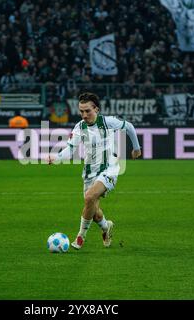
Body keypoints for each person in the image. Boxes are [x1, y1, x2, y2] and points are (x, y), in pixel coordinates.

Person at [47, 92, 142, 250]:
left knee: (90, 197)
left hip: (109, 169)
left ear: (96, 109)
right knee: (94, 211)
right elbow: (70, 149)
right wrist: (56, 158)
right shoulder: (79, 127)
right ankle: (106, 227)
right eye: (81, 111)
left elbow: (129, 127)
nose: (84, 115)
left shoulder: (108, 122)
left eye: (87, 111)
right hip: (90, 173)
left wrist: (136, 148)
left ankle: (80, 238)